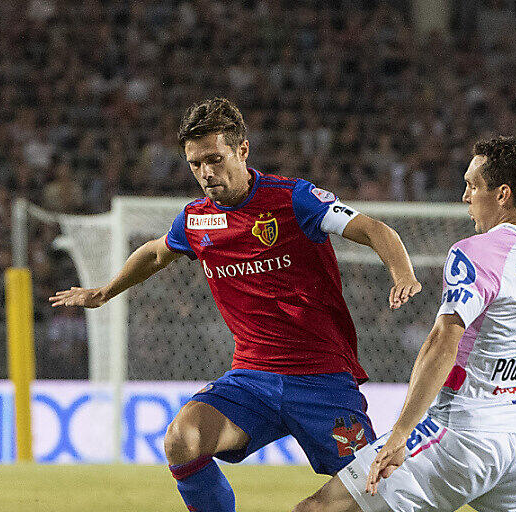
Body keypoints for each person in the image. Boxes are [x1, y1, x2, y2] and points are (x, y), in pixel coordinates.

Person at [49, 98, 422, 511]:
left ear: (242, 151)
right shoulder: (196, 219)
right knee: (182, 439)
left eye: (215, 158)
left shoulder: (294, 199)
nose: (206, 173)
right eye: (195, 164)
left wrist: (402, 272)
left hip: (323, 381)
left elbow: (372, 229)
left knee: (371, 492)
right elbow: (156, 253)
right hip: (252, 379)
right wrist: (104, 292)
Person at [292, 89, 516, 512]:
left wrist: (401, 432)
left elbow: (443, 342)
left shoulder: (477, 251)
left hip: (460, 435)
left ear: (503, 194)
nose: (465, 196)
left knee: (317, 509)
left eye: (472, 186)